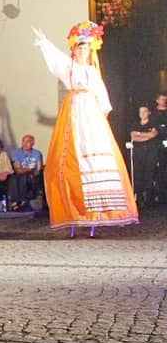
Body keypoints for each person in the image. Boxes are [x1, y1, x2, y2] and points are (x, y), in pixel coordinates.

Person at [30, 22, 138, 235]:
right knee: (70, 153)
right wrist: (44, 41)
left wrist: (103, 112)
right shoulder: (69, 67)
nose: (82, 51)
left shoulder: (92, 71)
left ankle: (98, 212)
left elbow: (101, 94)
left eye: (86, 48)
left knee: (95, 154)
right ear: (74, 50)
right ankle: (73, 211)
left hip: (90, 111)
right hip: (73, 108)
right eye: (79, 48)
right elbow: (55, 58)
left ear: (89, 51)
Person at [129, 104, 159, 208]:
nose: (142, 114)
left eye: (144, 111)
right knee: (138, 175)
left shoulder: (153, 123)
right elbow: (133, 137)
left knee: (149, 174)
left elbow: (153, 135)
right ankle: (139, 198)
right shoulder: (135, 124)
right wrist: (146, 136)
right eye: (140, 112)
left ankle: (149, 198)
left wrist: (140, 134)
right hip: (138, 153)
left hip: (151, 152)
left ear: (149, 112)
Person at [10, 134, 44, 212]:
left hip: (34, 175)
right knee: (20, 177)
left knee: (36, 177)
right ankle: (20, 202)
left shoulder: (37, 153)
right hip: (20, 175)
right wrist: (29, 170)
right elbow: (18, 170)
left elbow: (38, 168)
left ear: (33, 143)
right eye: (23, 141)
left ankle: (22, 202)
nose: (25, 144)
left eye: (28, 141)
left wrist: (32, 173)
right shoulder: (16, 153)